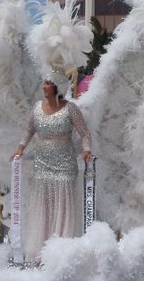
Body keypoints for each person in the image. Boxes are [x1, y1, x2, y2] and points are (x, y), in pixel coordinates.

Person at [12, 71, 92, 262]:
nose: (44, 87)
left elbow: (85, 133)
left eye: (48, 84)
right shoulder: (37, 107)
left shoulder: (71, 109)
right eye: (44, 83)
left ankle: (61, 253)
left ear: (57, 87)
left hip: (64, 164)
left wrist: (87, 149)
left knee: (62, 205)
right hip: (43, 163)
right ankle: (41, 250)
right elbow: (29, 130)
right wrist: (20, 148)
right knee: (44, 206)